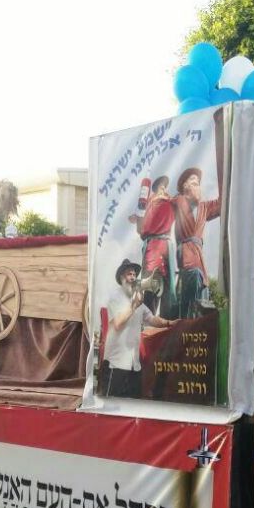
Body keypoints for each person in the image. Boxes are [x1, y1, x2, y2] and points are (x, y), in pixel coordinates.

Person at [101, 259, 175, 398]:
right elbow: (118, 323)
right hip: (115, 363)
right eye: (129, 274)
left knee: (134, 402)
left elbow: (152, 319)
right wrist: (134, 305)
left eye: (135, 274)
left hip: (134, 365)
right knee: (111, 403)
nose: (133, 277)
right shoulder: (115, 298)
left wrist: (169, 323)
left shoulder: (138, 301)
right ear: (122, 278)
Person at [172, 168, 221, 318]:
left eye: (198, 183)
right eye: (194, 183)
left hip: (198, 256)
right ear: (185, 187)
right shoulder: (178, 201)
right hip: (187, 252)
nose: (198, 186)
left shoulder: (204, 207)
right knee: (192, 278)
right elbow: (161, 205)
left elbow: (222, 202)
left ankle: (197, 321)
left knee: (201, 288)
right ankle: (188, 321)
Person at [128, 176, 176, 317]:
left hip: (165, 249)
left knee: (167, 289)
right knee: (152, 287)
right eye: (161, 187)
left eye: (165, 187)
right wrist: (138, 216)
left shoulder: (169, 202)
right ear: (155, 190)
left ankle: (165, 323)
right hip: (154, 249)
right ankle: (148, 323)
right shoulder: (151, 202)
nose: (164, 190)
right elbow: (140, 228)